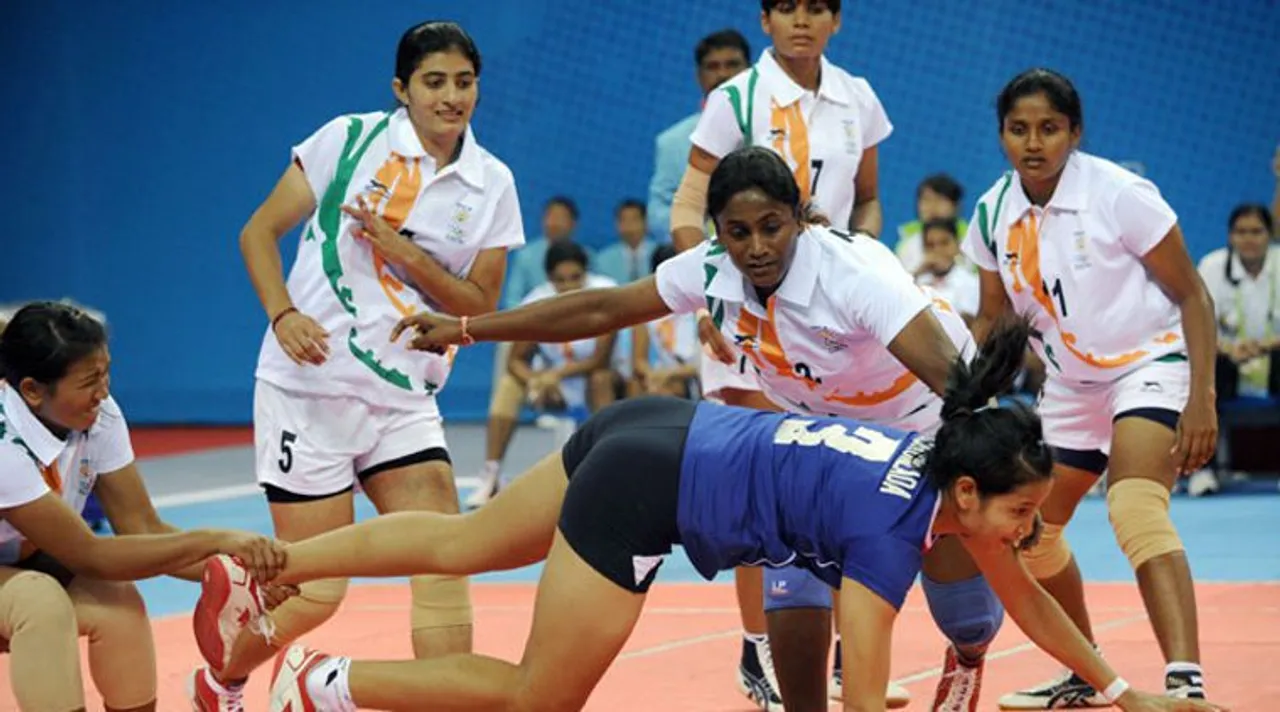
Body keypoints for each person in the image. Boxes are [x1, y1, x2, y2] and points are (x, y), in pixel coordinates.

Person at [201, 316, 1222, 712]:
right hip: (650, 489)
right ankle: (324, 683)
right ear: (966, 497)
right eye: (1024, 512)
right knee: (533, 700)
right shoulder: (886, 538)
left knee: (468, 541)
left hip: (653, 423)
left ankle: (270, 566)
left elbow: (1035, 604)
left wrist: (1126, 691)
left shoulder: (944, 469)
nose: (1031, 531)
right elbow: (859, 705)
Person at [380, 146, 1033, 711]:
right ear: (717, 231)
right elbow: (605, 307)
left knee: (965, 613)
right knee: (795, 578)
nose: (755, 247)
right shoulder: (715, 266)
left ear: (800, 217)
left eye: (772, 226)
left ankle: (969, 658)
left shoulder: (856, 275)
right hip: (817, 443)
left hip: (920, 425)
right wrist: (468, 328)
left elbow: (959, 390)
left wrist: (1004, 485)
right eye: (738, 231)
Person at [201, 19, 526, 710]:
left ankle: (447, 699)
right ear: (400, 89)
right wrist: (283, 314)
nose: (451, 97)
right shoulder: (346, 141)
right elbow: (257, 231)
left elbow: (478, 305)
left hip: (405, 396)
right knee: (316, 589)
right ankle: (224, 675)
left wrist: (404, 253)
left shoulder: (491, 182)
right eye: (434, 82)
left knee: (447, 552)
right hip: (308, 391)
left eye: (464, 82)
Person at [960, 68, 1221, 708]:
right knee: (1029, 533)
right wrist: (967, 405)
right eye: (1019, 129)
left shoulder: (1120, 194)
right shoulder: (993, 212)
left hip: (1148, 366)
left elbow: (1192, 293)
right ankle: (1088, 670)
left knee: (1134, 506)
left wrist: (1202, 398)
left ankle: (1185, 683)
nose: (1034, 142)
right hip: (1070, 388)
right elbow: (994, 323)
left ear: (1074, 132)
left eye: (1049, 128)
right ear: (1001, 136)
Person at [667, 1, 897, 704]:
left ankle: (836, 659)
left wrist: (861, 261)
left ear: (837, 20)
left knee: (845, 471)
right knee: (759, 481)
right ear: (765, 19)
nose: (803, 20)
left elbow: (869, 203)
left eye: (817, 7)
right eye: (787, 7)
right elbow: (686, 208)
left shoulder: (858, 97)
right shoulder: (734, 98)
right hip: (749, 307)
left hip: (831, 318)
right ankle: (761, 651)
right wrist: (713, 295)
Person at [0, 301, 287, 712]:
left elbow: (143, 531)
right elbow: (92, 556)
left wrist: (247, 571)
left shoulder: (99, 417)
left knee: (116, 600)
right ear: (31, 390)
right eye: (89, 381)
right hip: (22, 576)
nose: (104, 391)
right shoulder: (3, 445)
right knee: (38, 600)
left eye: (106, 373)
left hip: (18, 561)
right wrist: (216, 540)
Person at [467, 242, 620, 507]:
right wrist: (536, 380)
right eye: (560, 280)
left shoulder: (605, 293)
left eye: (576, 278)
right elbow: (514, 361)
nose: (569, 287)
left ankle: (607, 475)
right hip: (549, 386)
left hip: (590, 381)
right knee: (509, 385)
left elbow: (599, 360)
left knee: (601, 380)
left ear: (586, 274)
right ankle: (491, 475)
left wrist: (556, 374)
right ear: (549, 280)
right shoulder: (537, 301)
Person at [631, 243, 701, 398]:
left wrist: (670, 374)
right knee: (636, 383)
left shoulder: (701, 310)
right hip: (660, 375)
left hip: (691, 376)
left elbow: (704, 364)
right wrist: (651, 375)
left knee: (673, 386)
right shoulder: (645, 315)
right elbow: (639, 362)